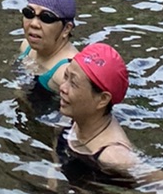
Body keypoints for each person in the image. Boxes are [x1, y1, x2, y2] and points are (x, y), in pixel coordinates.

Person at [55, 44, 138, 185]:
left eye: (73, 83)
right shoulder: (72, 117)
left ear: (102, 99)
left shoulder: (114, 157)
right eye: (65, 76)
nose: (62, 87)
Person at [16, 0, 79, 105]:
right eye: (29, 13)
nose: (34, 23)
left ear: (66, 28)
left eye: (46, 17)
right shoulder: (26, 46)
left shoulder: (66, 72)